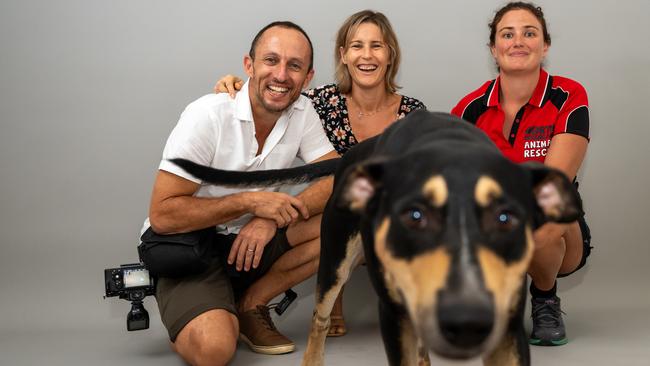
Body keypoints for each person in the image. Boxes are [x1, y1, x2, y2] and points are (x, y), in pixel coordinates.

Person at [214, 10, 426, 337]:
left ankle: (342, 306)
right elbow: (272, 95)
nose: (366, 55)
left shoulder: (412, 114)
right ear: (343, 54)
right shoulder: (320, 102)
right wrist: (235, 85)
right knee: (342, 213)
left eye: (377, 46)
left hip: (393, 218)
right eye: (356, 46)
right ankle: (254, 301)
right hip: (333, 213)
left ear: (390, 55)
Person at [143, 21, 338, 365]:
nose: (281, 74)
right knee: (215, 351)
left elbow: (338, 176)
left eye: (294, 65)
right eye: (271, 60)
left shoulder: (303, 111)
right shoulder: (207, 114)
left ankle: (250, 304)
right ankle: (211, 307)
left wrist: (268, 217)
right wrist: (249, 201)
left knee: (351, 224)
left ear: (308, 77)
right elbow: (163, 214)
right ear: (249, 65)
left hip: (254, 243)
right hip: (192, 247)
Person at [451, 1, 591, 347]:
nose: (518, 41)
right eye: (507, 34)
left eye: (529, 33)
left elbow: (553, 185)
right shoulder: (469, 108)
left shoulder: (568, 95)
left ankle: (543, 299)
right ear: (493, 49)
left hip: (556, 229)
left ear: (545, 46)